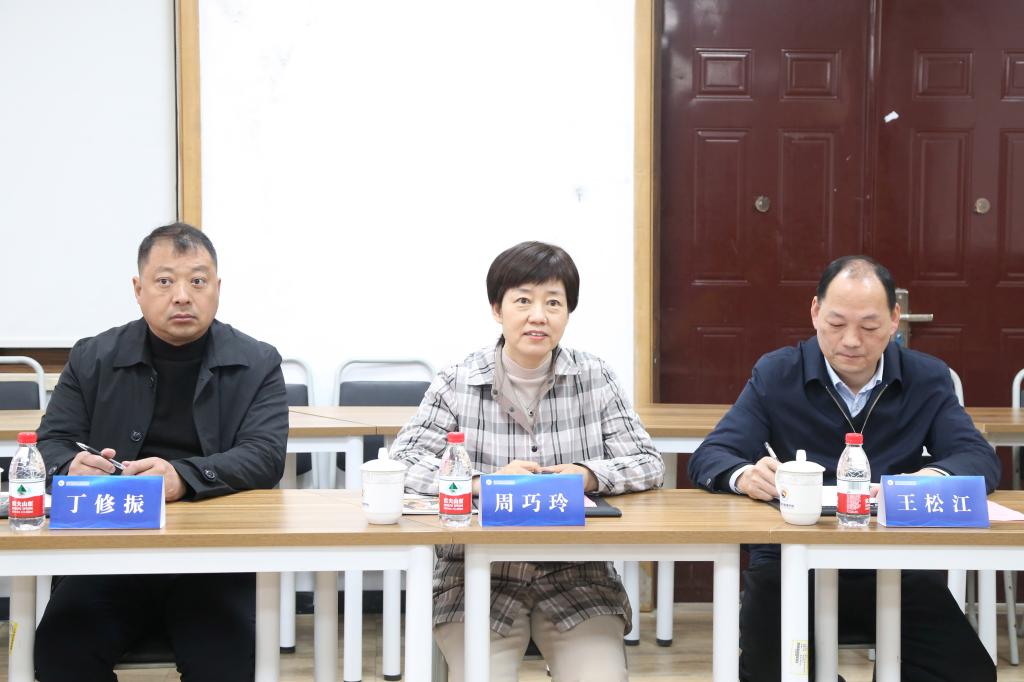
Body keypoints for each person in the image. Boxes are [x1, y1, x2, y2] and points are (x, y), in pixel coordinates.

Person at [688, 255, 999, 681]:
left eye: (869, 327)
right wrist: (744, 476)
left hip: (896, 559)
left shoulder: (926, 377)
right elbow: (712, 455)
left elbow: (978, 458)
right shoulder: (778, 373)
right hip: (792, 559)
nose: (851, 341)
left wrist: (928, 479)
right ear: (815, 312)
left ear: (894, 319)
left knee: (967, 673)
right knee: (771, 672)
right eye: (836, 323)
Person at [391, 241, 664, 682]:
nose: (539, 315)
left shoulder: (595, 376)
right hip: (476, 573)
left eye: (553, 302)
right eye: (523, 301)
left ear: (568, 312)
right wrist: (483, 483)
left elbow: (649, 462)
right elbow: (403, 462)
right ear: (496, 310)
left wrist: (589, 475)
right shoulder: (458, 380)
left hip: (578, 572)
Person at [34, 222, 288, 682]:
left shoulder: (258, 361)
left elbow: (265, 455)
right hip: (105, 554)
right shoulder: (92, 356)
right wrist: (71, 464)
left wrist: (182, 477)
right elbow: (51, 442)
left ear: (217, 288)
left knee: (224, 665)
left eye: (198, 281)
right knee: (61, 652)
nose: (182, 296)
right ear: (139, 289)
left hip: (212, 559)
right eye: (165, 281)